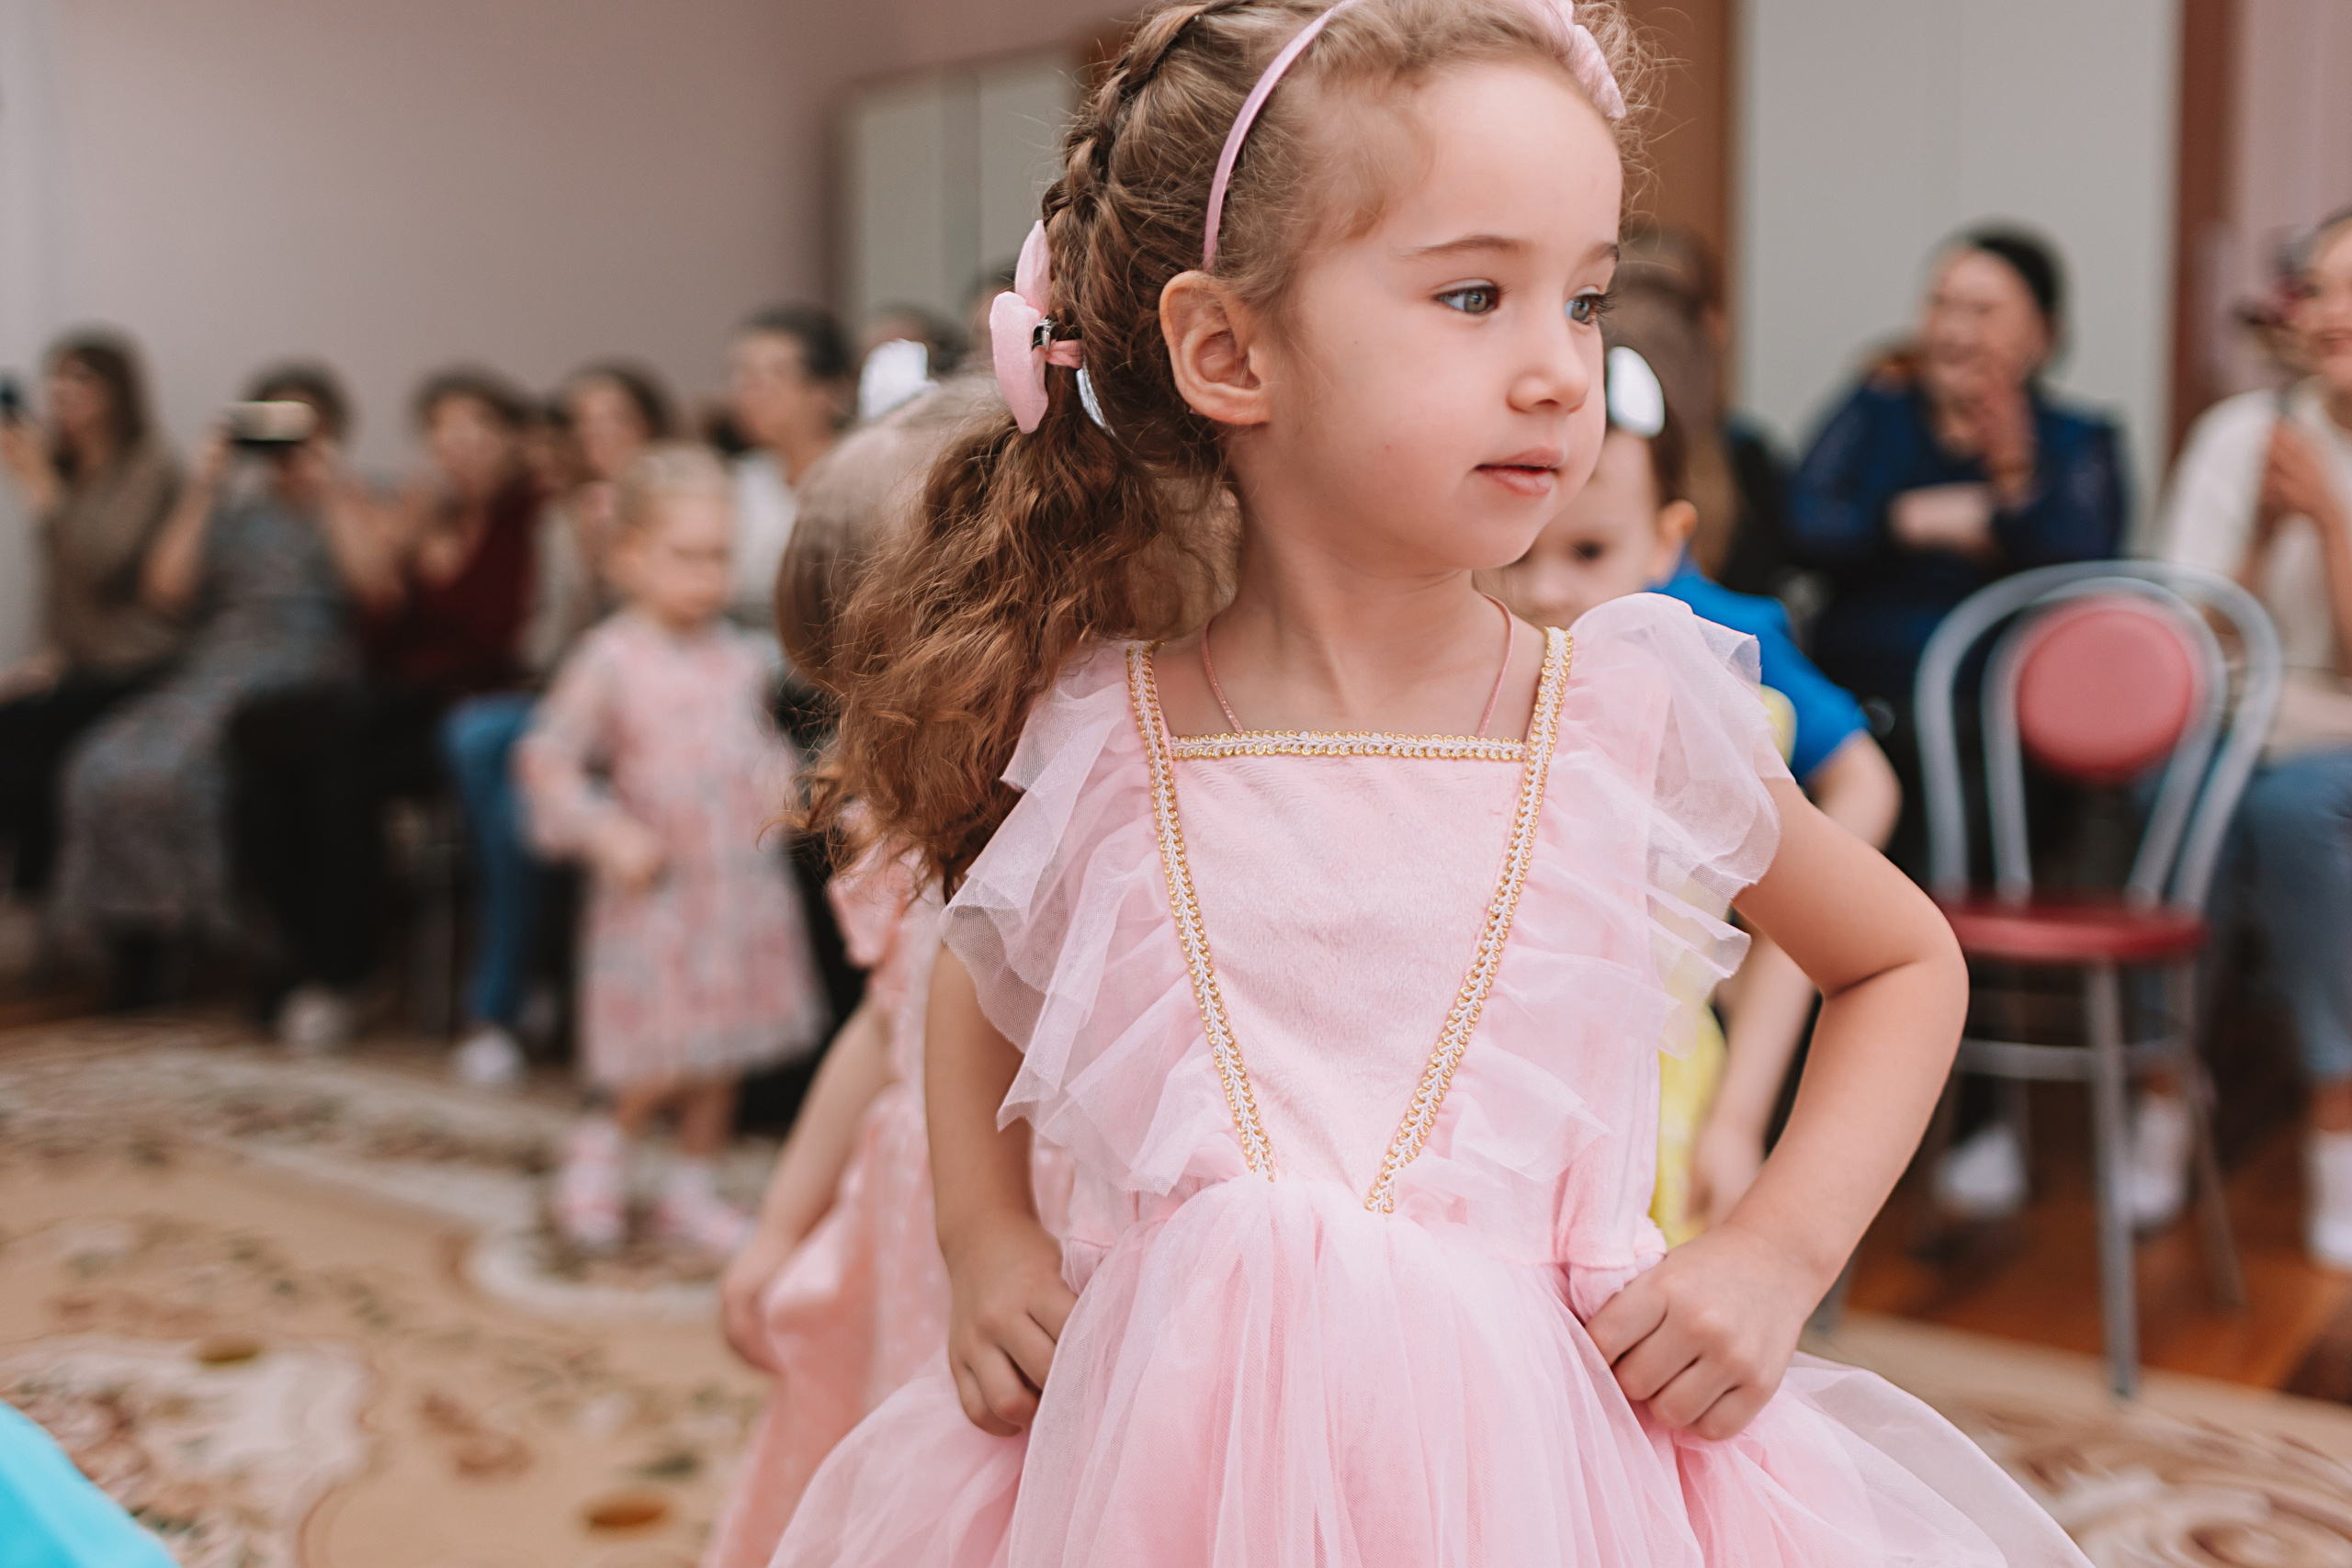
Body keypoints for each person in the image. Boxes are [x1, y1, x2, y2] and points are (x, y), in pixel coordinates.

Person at [776, 3, 2088, 1562]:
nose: (1558, 372)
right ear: (1227, 349)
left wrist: (1775, 1256)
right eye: (1476, 293)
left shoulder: (1620, 716)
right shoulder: (1099, 735)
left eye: (1583, 300)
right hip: (1169, 1466)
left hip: (1550, 1471)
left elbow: (1899, 957)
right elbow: (968, 974)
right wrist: (987, 1236)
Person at [707, 375, 1080, 1568]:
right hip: (913, 1223)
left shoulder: (1092, 820)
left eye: (887, 690)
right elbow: (878, 1036)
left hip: (1050, 1214)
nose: (866, 737)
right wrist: (778, 1225)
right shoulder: (896, 829)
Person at [1490, 345, 1902, 1245]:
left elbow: (1861, 787)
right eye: (1520, 549)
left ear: (1665, 541)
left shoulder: (1718, 672)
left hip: (1655, 1097)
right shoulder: (1463, 693)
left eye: (1589, 549)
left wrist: (1744, 1074)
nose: (1549, 588)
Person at [517, 444, 828, 1255]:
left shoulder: (738, 656)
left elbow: (753, 748)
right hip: (657, 890)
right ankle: (597, 1153)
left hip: (736, 888)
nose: (706, 575)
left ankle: (692, 1186)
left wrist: (793, 792)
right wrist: (605, 828)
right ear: (629, 556)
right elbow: (545, 759)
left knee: (720, 1049)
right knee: (656, 1046)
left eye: (720, 556)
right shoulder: (610, 657)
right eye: (685, 556)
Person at [1788, 228, 2128, 860]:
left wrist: (2015, 490)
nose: (1953, 330)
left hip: (2001, 723)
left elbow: (2085, 577)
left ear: (2042, 334)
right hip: (1861, 699)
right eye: (1940, 304)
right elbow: (1803, 526)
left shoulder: (2078, 443)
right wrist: (1911, 521)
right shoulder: (1876, 409)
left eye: (1983, 311)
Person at [231, 367, 538, 1049]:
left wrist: (427, 559)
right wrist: (401, 548)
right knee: (260, 744)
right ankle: (314, 956)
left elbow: (497, 637)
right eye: (442, 431)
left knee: (334, 755)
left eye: (478, 428)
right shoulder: (426, 511)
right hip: (395, 698)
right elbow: (378, 626)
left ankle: (344, 972)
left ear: (515, 440)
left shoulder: (531, 517)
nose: (459, 446)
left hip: (475, 703)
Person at [2159, 208, 2352, 1266]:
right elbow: (2185, 637)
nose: (2331, 314)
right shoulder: (2241, 435)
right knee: (2170, 803)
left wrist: (2328, 519)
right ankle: (2159, 1087)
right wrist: (2264, 529)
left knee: (2287, 814)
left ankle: (2335, 1115)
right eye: (2319, 290)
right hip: (2235, 719)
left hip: (2340, 731)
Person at [51, 366, 360, 1008]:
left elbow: (378, 586)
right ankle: (135, 939)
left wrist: (331, 489)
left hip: (304, 665)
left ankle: (222, 942)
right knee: (106, 761)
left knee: (189, 769)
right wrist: (203, 485)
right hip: (217, 659)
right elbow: (165, 591)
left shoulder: (361, 499)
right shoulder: (234, 509)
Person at [440, 362, 670, 1087]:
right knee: (482, 737)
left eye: (617, 423)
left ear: (651, 429)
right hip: (584, 687)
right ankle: (515, 993)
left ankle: (514, 993)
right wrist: (583, 556)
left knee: (522, 783)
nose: (599, 440)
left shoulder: (690, 498)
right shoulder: (559, 518)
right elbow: (544, 646)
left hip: (666, 692)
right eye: (584, 426)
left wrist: (622, 562)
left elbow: (690, 616)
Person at [0, 332, 183, 904]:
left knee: (30, 747)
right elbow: (64, 591)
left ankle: (41, 904)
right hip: (81, 662)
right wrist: (48, 657)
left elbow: (104, 563)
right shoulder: (68, 469)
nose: (62, 393)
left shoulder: (150, 466)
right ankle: (37, 901)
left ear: (116, 390)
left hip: (142, 662)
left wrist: (43, 494)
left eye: (81, 379)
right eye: (56, 378)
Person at [727, 305, 854, 634]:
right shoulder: (735, 481)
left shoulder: (866, 475)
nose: (750, 393)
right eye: (743, 376)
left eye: (772, 376)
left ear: (828, 390)